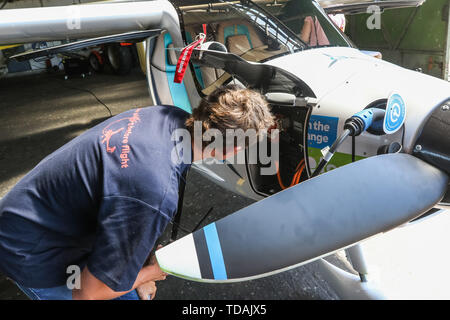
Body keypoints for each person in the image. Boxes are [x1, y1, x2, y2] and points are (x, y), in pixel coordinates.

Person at [0, 84, 275, 300]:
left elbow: (129, 204)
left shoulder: (166, 117)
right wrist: (153, 272)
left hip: (37, 211)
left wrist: (139, 264)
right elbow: (87, 293)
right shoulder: (153, 192)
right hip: (31, 251)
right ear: (232, 149)